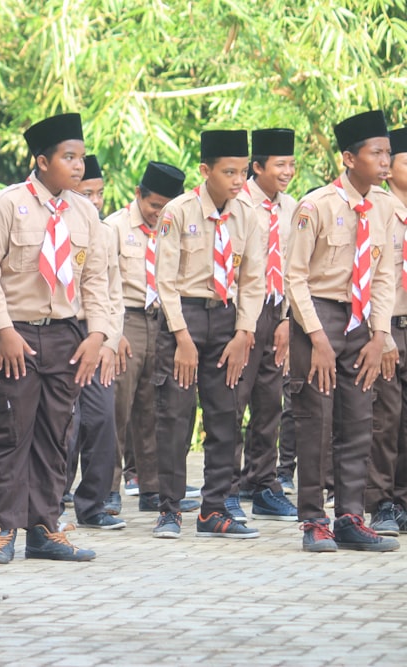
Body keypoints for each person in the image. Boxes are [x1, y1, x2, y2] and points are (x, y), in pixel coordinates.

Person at [0, 112, 107, 564]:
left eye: (82, 158)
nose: (78, 166)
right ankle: (3, 529)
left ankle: (45, 530)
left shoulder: (85, 212)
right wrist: (4, 330)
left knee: (56, 433)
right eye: (68, 157)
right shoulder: (9, 205)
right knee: (11, 433)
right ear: (41, 161)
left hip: (66, 335)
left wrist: (98, 336)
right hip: (15, 336)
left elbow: (98, 282)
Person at [288, 110, 399, 552]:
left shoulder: (387, 207)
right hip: (318, 318)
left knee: (359, 421)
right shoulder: (315, 206)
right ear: (350, 158)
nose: (386, 161)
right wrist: (316, 337)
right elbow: (294, 278)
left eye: (388, 152)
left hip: (361, 322)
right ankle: (314, 521)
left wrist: (380, 334)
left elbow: (385, 274)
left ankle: (351, 517)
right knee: (315, 420)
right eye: (377, 153)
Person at [152, 129, 264, 540]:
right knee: (176, 416)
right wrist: (181, 336)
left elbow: (253, 280)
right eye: (228, 172)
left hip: (227, 322)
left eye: (241, 172)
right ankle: (168, 508)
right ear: (206, 171)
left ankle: (214, 509)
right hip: (185, 319)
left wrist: (244, 332)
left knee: (226, 416)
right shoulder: (178, 212)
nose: (238, 180)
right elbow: (164, 280)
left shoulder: (248, 215)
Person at [105, 162, 196, 517]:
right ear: (138, 195)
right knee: (117, 407)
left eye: (166, 207)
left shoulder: (175, 228)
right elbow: (104, 282)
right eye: (154, 205)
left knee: (155, 408)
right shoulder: (114, 227)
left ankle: (153, 488)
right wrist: (114, 332)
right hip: (126, 319)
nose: (159, 213)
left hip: (163, 320)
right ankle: (108, 488)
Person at [231, 129, 300, 522]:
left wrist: (288, 318)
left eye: (291, 164)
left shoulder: (292, 208)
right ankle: (225, 487)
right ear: (258, 167)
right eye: (280, 165)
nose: (288, 171)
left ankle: (263, 484)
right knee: (232, 400)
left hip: (277, 312)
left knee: (269, 402)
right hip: (242, 313)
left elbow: (294, 266)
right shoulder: (238, 204)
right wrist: (242, 322)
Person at [67, 155, 126, 529]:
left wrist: (108, 339)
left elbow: (112, 292)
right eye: (87, 192)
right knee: (61, 424)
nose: (95, 200)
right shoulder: (53, 224)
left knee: (102, 418)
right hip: (58, 331)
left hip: (95, 333)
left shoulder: (105, 232)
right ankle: (52, 497)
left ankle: (93, 504)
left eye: (100, 193)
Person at [368, 126, 407, 535]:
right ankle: (380, 502)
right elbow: (373, 277)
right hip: (388, 326)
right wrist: (385, 335)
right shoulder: (377, 208)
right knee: (386, 416)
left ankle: (403, 498)